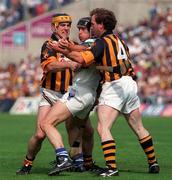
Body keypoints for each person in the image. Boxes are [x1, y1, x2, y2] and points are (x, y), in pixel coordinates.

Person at [52, 8, 160, 177]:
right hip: (129, 84)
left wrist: (62, 50)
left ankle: (111, 167)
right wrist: (71, 47)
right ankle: (153, 163)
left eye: (93, 23)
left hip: (114, 85)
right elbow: (87, 50)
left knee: (103, 128)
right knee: (139, 128)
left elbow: (82, 59)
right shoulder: (119, 40)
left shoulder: (102, 42)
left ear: (101, 25)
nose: (91, 26)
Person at [16, 13, 79, 175]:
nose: (66, 28)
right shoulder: (49, 45)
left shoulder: (74, 45)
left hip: (67, 94)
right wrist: (69, 64)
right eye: (62, 25)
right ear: (54, 27)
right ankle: (28, 162)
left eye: (68, 25)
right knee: (39, 134)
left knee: (75, 126)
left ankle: (76, 160)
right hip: (49, 93)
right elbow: (48, 66)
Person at [40, 17, 101, 176]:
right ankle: (81, 162)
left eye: (83, 29)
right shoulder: (95, 45)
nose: (79, 32)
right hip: (82, 92)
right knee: (80, 128)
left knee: (46, 123)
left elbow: (79, 58)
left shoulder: (91, 45)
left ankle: (63, 157)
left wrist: (62, 49)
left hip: (80, 93)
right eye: (78, 29)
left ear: (92, 31)